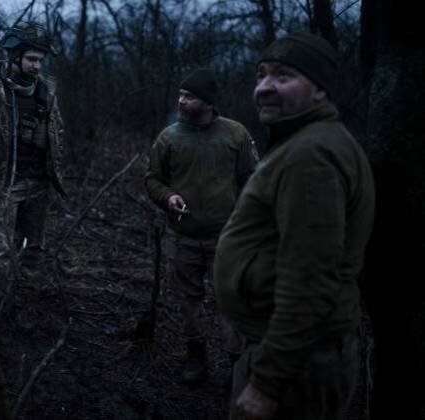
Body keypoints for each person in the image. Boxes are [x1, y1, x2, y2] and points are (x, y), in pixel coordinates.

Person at [214, 31, 375, 420]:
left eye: (283, 76)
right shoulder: (304, 142)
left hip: (298, 362)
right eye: (261, 75)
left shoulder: (312, 155)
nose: (264, 88)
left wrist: (268, 382)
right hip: (292, 352)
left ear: (320, 90)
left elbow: (310, 280)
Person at [145, 68, 258, 383]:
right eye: (180, 95)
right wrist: (167, 197)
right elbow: (152, 178)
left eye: (189, 96)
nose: (181, 101)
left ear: (208, 102)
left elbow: (253, 180)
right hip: (183, 237)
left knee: (231, 302)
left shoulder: (235, 134)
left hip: (227, 238)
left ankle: (238, 365)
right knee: (188, 301)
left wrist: (248, 224)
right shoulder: (169, 137)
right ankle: (196, 358)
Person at [0, 21, 66, 347]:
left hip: (38, 184)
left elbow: (58, 134)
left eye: (40, 60)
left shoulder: (46, 90)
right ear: (14, 57)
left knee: (34, 252)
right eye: (32, 59)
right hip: (2, 184)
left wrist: (51, 160)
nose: (37, 66)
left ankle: (24, 309)